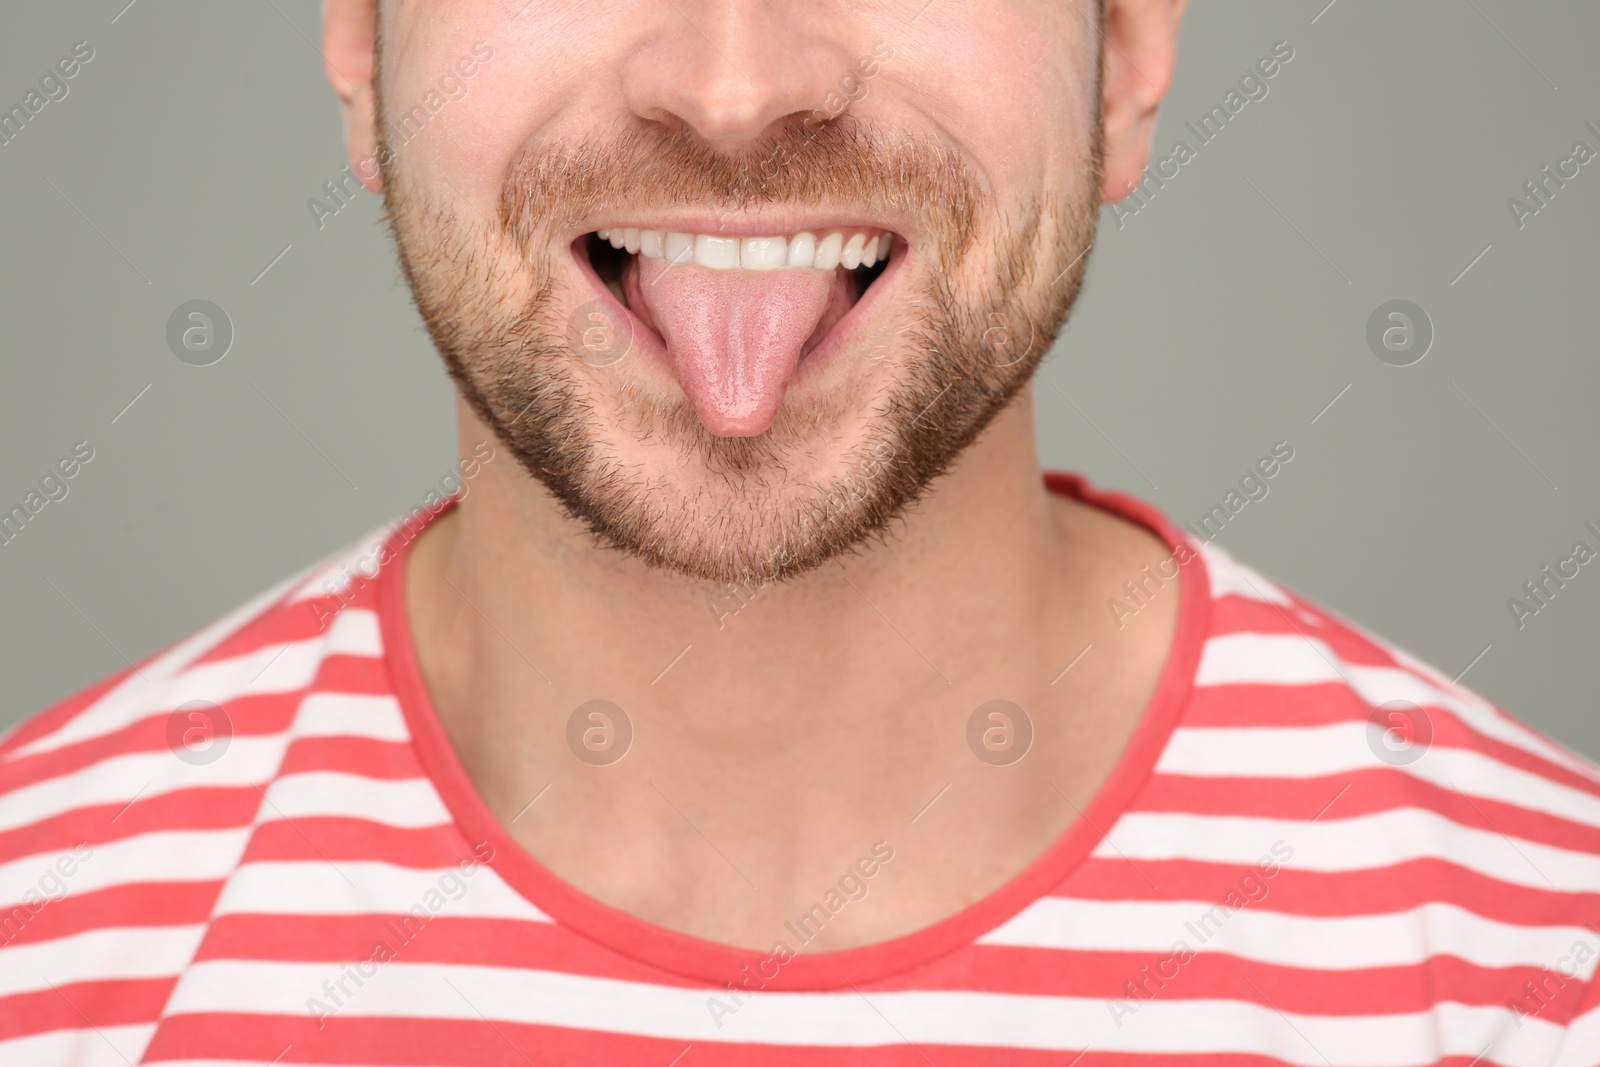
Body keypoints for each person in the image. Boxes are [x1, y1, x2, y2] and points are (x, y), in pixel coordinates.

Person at [4, 0, 1598, 1062]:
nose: (736, 87)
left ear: (1122, 58)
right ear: (359, 44)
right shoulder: (34, 953)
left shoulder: (1549, 967)